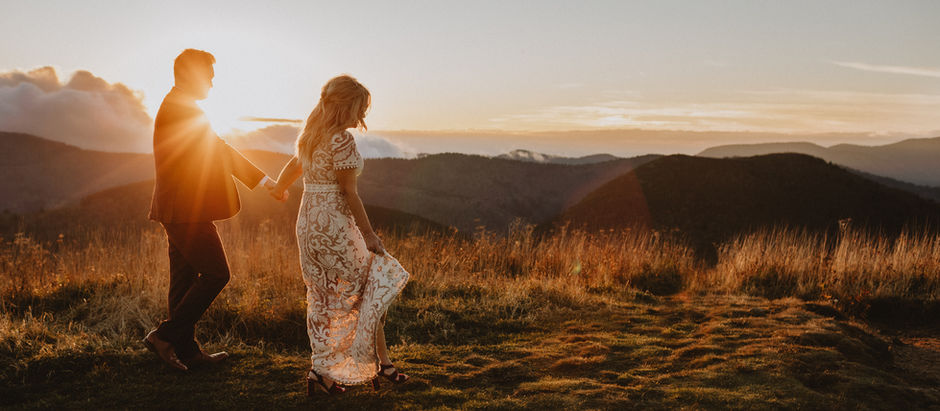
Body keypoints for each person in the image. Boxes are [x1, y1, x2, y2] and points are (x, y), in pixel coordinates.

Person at [269, 74, 410, 396]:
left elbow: (294, 165)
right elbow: (349, 193)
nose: (361, 115)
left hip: (308, 223)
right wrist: (370, 235)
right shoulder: (341, 139)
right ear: (347, 106)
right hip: (335, 224)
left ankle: (324, 372)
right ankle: (378, 364)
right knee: (364, 293)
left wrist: (278, 187)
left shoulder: (311, 135)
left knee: (321, 297)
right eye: (360, 107)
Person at [144, 48, 277, 371]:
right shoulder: (182, 110)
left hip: (176, 209)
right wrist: (263, 181)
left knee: (183, 283)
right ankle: (164, 336)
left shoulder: (178, 106)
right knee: (217, 273)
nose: (213, 84)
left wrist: (259, 180)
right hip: (186, 211)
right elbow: (219, 149)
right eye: (210, 76)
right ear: (193, 75)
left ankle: (187, 354)